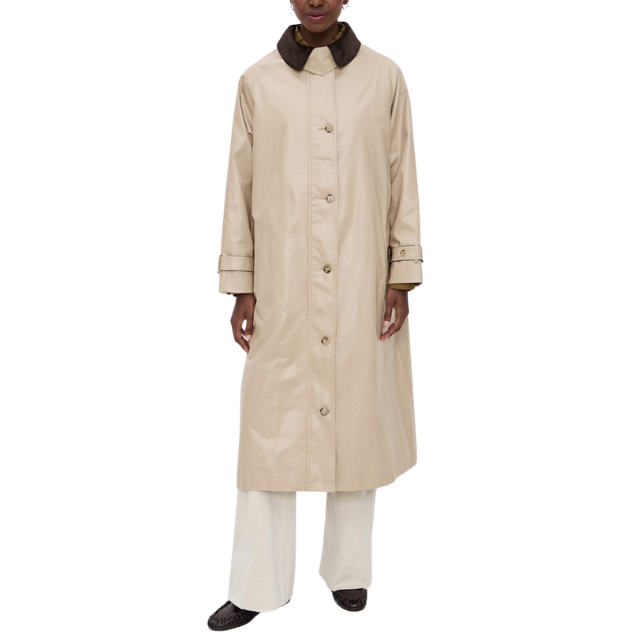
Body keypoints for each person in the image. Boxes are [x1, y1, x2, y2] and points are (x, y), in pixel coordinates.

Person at [208, 0, 423, 631]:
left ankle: (349, 571)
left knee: (357, 423)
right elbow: (239, 188)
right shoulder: (257, 81)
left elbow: (401, 178)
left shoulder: (384, 78)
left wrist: (401, 272)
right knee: (266, 438)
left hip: (361, 279)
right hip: (283, 287)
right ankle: (256, 585)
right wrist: (242, 283)